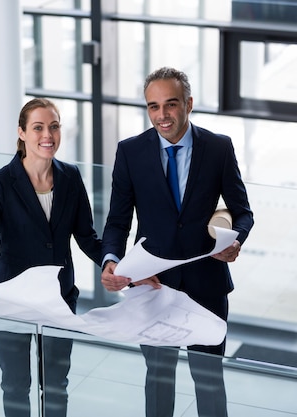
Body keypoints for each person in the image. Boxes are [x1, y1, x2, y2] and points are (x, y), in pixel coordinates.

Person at [100, 67, 254, 417]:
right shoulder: (130, 152)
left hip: (207, 285)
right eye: (153, 107)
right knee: (158, 378)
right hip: (152, 286)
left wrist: (237, 240)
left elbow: (243, 212)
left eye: (170, 105)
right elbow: (118, 221)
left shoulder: (218, 148)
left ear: (189, 104)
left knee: (209, 379)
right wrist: (111, 259)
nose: (162, 115)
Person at [0, 97, 102, 417]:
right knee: (15, 384)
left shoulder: (71, 177)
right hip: (10, 297)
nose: (48, 135)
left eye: (54, 126)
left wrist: (115, 265)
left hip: (59, 297)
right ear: (22, 133)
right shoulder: (0, 182)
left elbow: (86, 236)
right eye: (39, 127)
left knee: (56, 384)